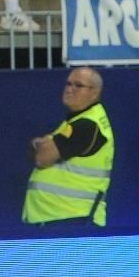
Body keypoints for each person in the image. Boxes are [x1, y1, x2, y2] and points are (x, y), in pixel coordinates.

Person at [24, 66, 113, 227]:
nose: (70, 89)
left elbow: (42, 158)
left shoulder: (87, 125)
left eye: (78, 86)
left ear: (95, 93)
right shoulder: (76, 120)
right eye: (68, 84)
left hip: (73, 220)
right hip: (60, 219)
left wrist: (44, 144)